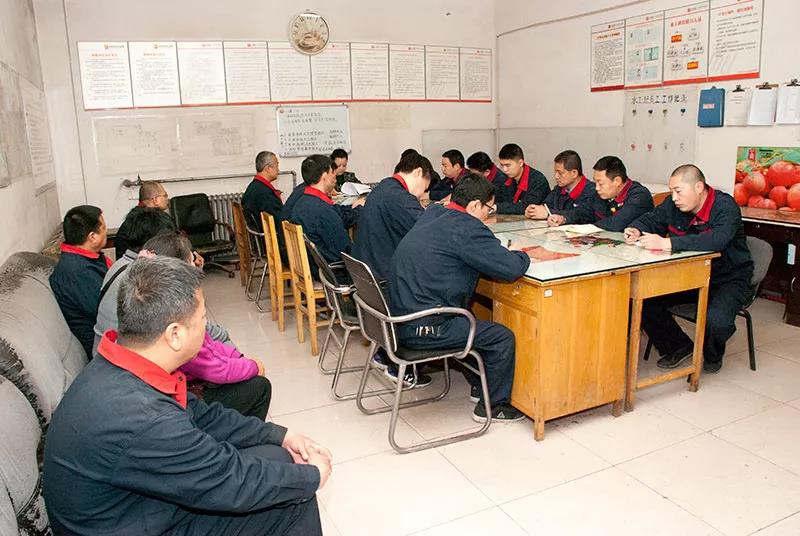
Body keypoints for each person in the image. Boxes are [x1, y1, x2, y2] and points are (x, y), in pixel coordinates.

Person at [44, 256, 329, 535]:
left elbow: (203, 416)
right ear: (175, 334)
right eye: (202, 317)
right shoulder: (144, 416)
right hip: (129, 521)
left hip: (130, 507)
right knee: (293, 500)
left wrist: (282, 436)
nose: (207, 326)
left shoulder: (122, 365)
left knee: (277, 458)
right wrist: (312, 476)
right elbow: (226, 480)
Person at [389, 174, 531, 421]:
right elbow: (510, 268)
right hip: (424, 326)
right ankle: (493, 406)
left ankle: (479, 384)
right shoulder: (467, 227)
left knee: (471, 318)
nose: (488, 215)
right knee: (501, 337)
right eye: (488, 209)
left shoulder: (435, 213)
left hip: (399, 317)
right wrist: (520, 254)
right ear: (475, 205)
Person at [95, 227, 272, 419]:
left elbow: (211, 345)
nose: (196, 264)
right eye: (191, 262)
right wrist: (252, 366)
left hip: (175, 385)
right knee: (259, 387)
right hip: (186, 393)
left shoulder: (151, 297)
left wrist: (238, 357)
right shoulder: (179, 326)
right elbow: (214, 366)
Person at [624, 164, 753, 373]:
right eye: (672, 191)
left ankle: (712, 355)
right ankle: (678, 346)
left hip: (728, 278)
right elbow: (652, 219)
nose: (674, 197)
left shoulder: (725, 207)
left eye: (678, 191)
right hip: (689, 275)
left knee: (717, 321)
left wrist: (667, 243)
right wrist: (636, 229)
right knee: (643, 300)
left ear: (699, 187)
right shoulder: (673, 205)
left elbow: (716, 240)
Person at [352, 152, 436, 388]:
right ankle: (399, 362)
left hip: (372, 275)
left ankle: (383, 352)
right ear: (418, 172)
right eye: (424, 188)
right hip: (386, 279)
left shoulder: (383, 188)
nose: (421, 195)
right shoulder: (399, 197)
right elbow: (429, 229)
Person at [50, 205, 111, 358]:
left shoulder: (84, 259)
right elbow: (106, 311)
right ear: (93, 237)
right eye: (104, 228)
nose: (107, 231)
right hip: (101, 348)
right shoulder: (77, 272)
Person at [287, 155, 363, 268]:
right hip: (332, 269)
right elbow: (345, 249)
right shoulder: (322, 211)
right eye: (333, 173)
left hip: (313, 264)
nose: (335, 177)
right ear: (325, 176)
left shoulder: (303, 201)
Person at [526, 150, 596, 224]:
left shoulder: (592, 191)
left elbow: (581, 214)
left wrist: (549, 213)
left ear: (574, 173)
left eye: (560, 173)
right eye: (555, 172)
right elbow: (546, 205)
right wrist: (533, 211)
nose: (556, 176)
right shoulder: (559, 189)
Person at [586, 156, 653, 231]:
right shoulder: (602, 193)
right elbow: (584, 212)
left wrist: (589, 227)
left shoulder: (639, 196)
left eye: (600, 183)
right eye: (595, 182)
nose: (597, 188)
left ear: (617, 181)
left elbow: (617, 224)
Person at [242, 150, 287, 261]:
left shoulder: (254, 187)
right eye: (276, 165)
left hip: (261, 241)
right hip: (272, 242)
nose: (278, 169)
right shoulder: (265, 193)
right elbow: (279, 220)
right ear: (268, 168)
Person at [114, 180, 173, 259]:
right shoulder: (152, 222)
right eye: (165, 195)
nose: (167, 199)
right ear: (155, 200)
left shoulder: (133, 218)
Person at [495, 143, 549, 214]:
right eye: (502, 165)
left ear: (520, 163)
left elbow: (527, 207)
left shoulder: (538, 181)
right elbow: (500, 199)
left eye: (508, 165)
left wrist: (498, 207)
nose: (504, 170)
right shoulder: (506, 178)